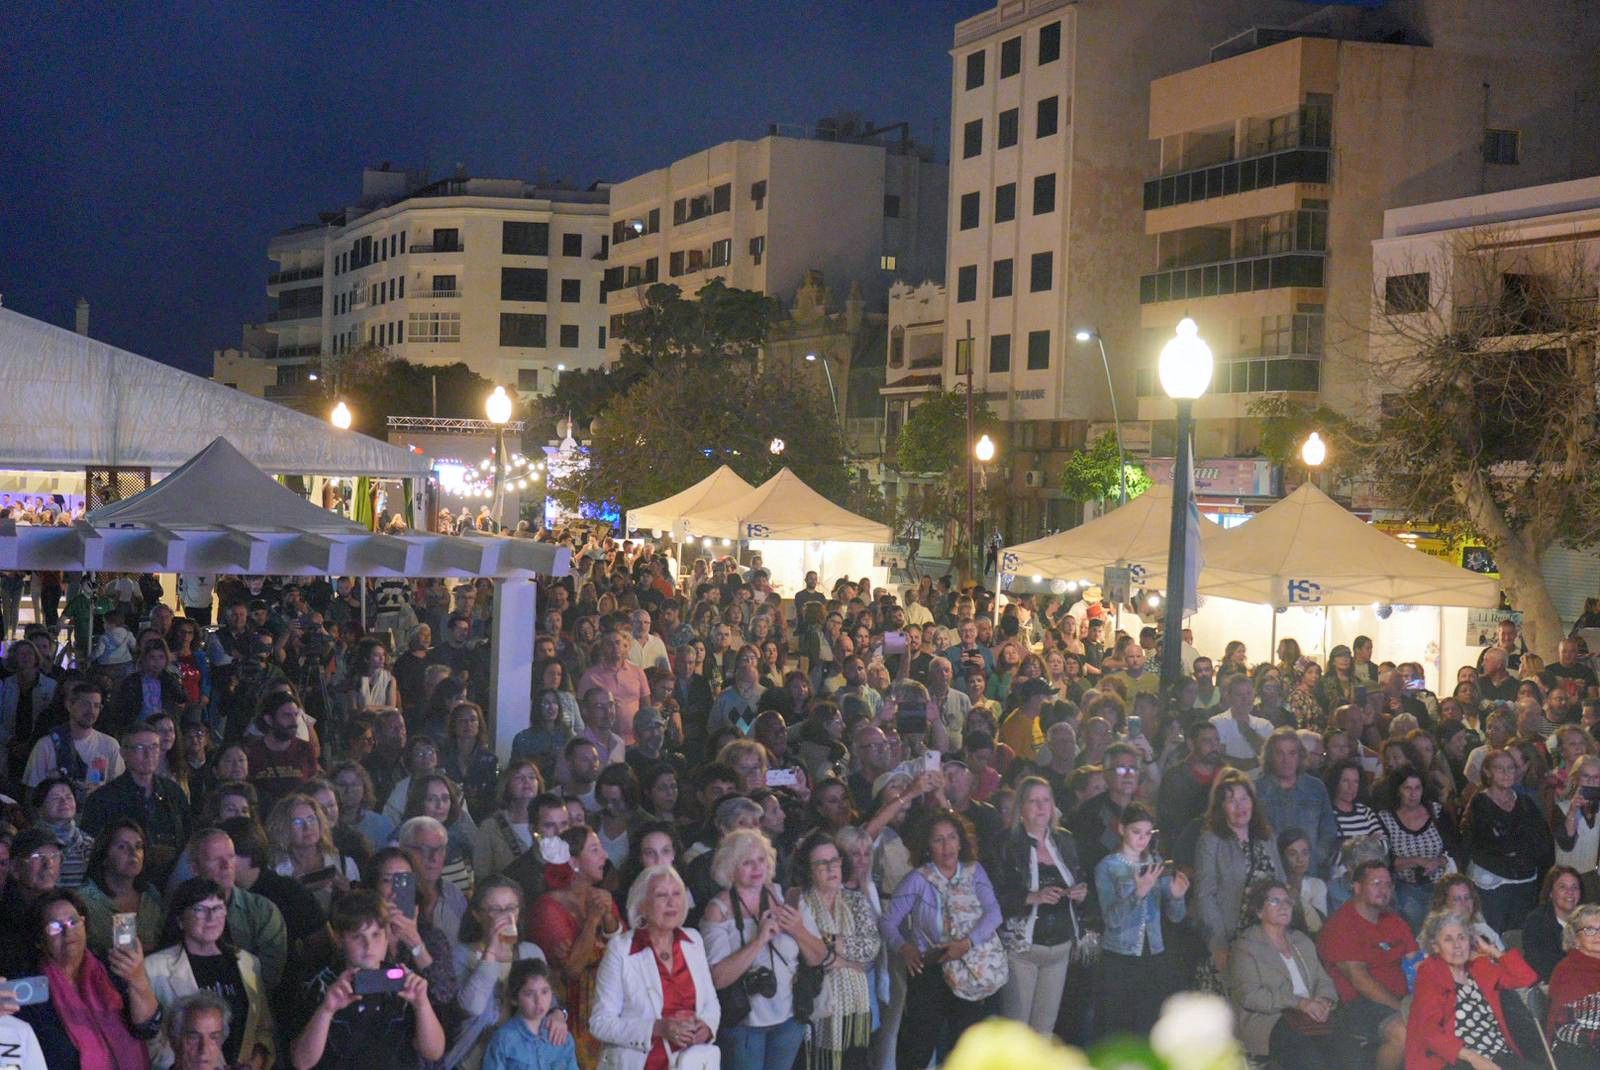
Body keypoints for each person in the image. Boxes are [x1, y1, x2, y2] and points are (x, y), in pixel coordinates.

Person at [880, 810, 1004, 1070]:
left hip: (970, 965)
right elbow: (888, 922)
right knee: (917, 1047)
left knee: (964, 1050)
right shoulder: (917, 879)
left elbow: (994, 914)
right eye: (938, 840)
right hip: (931, 968)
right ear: (928, 845)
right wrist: (904, 947)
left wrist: (967, 943)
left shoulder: (974, 871)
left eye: (951, 838)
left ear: (961, 842)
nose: (946, 846)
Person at [289, 889, 446, 1070]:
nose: (368, 945)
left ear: (387, 937)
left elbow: (434, 1052)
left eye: (376, 934)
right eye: (357, 936)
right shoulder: (321, 984)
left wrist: (422, 1005)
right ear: (340, 939)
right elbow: (301, 1062)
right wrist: (326, 1011)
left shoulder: (404, 981)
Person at [15, 888, 163, 1070]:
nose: (67, 932)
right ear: (39, 939)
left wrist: (137, 978)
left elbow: (148, 1028)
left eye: (73, 922)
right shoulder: (29, 989)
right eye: (54, 927)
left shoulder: (112, 969)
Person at [591, 865, 719, 1070]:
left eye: (676, 893)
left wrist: (708, 1026)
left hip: (690, 1063)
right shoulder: (621, 949)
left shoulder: (693, 940)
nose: (671, 902)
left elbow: (711, 1003)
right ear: (641, 905)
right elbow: (600, 1023)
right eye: (661, 895)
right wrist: (656, 1028)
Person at [144, 877, 274, 1070]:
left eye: (218, 908)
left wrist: (255, 1063)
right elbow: (151, 1040)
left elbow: (263, 1028)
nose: (211, 917)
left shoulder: (247, 962)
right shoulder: (153, 968)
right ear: (180, 919)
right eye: (200, 909)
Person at [990, 776, 1087, 1034]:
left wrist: (1080, 892)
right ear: (1021, 806)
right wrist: (1033, 896)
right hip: (1023, 948)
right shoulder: (1005, 843)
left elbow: (1079, 877)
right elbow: (992, 895)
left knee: (1044, 1031)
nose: (1041, 807)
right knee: (1017, 1030)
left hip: (1060, 945)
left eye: (1046, 800)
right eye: (1033, 801)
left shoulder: (1064, 840)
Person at [1227, 878, 1348, 1069]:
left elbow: (1323, 980)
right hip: (1269, 1020)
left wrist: (1324, 1001)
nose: (1283, 906)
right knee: (1308, 1058)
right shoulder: (1246, 946)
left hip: (1309, 1015)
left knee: (1348, 1050)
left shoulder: (1301, 940)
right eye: (1274, 901)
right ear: (1259, 911)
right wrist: (1299, 1003)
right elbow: (1250, 996)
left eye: (1287, 901)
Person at [1093, 801, 1189, 1038]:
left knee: (1149, 1025)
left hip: (1153, 953)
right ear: (1122, 828)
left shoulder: (1155, 862)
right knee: (1119, 1028)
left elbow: (1176, 917)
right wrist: (1138, 893)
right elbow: (1111, 920)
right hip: (1120, 957)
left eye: (1148, 833)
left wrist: (1177, 897)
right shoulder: (1108, 866)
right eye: (1137, 832)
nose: (1142, 839)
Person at [528, 826, 622, 1068]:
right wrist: (592, 921)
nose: (605, 856)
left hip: (610, 1010)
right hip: (570, 1019)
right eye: (595, 850)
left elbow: (628, 953)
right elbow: (572, 970)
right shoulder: (548, 909)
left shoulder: (602, 898)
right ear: (574, 862)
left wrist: (610, 922)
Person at [788, 829, 879, 1070]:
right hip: (815, 1004)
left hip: (854, 1006)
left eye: (835, 860)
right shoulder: (799, 902)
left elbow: (870, 947)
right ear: (807, 869)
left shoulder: (855, 900)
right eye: (822, 863)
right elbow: (807, 956)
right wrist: (847, 961)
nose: (831, 868)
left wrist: (825, 939)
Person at [1405, 908, 1539, 1070]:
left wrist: (1493, 951)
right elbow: (1430, 1032)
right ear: (1435, 946)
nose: (1457, 946)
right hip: (1456, 1060)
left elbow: (1527, 978)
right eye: (1448, 939)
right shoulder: (1430, 973)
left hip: (1498, 1054)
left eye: (1462, 937)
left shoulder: (1479, 967)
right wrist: (1473, 1058)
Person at [447, 876, 553, 1069]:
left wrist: (559, 1015)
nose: (505, 916)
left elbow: (548, 1004)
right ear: (478, 915)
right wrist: (492, 951)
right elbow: (472, 1008)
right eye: (496, 910)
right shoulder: (461, 955)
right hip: (473, 1061)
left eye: (511, 908)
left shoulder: (531, 952)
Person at [1317, 861, 1413, 1070]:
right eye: (1376, 883)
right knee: (1402, 1032)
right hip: (1358, 1005)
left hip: (1403, 997)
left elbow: (1417, 963)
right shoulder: (1341, 925)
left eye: (1388, 885)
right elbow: (1360, 981)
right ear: (1357, 887)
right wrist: (1402, 1009)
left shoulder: (1394, 920)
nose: (1384, 890)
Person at [1195, 769, 1284, 978]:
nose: (1240, 806)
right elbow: (1205, 896)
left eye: (1244, 799)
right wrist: (1218, 944)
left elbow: (1281, 882)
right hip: (1232, 938)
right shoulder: (1211, 841)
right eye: (1231, 800)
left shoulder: (1266, 837)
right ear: (1221, 808)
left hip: (1269, 936)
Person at [81, 724, 191, 885]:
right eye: (140, 748)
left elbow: (187, 839)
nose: (148, 754)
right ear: (123, 753)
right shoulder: (102, 799)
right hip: (120, 884)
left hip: (170, 881)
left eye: (154, 747)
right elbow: (92, 852)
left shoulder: (174, 793)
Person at [1465, 747, 1554, 932]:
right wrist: (1518, 847)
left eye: (1511, 768)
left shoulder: (1525, 801)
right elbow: (1487, 844)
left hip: (1525, 879)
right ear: (1488, 772)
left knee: (1519, 935)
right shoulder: (1480, 803)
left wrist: (1520, 850)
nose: (1507, 773)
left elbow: (1542, 839)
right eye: (1500, 768)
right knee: (1493, 935)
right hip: (1494, 882)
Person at [187, 828, 288, 990]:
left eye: (231, 857)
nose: (226, 865)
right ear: (194, 867)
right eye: (215, 859)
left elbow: (269, 977)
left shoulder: (263, 911)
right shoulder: (182, 911)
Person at [1377, 765, 1459, 931]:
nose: (1413, 794)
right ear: (1398, 790)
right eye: (1407, 788)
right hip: (1405, 891)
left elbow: (1456, 847)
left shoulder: (1437, 811)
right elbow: (1385, 860)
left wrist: (1438, 861)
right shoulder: (1384, 818)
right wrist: (1415, 861)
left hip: (1440, 889)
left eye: (1417, 788)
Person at [1255, 728, 1338, 876]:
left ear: (1300, 756)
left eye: (1292, 753)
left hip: (1310, 873)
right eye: (1279, 753)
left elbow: (1328, 830)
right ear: (1269, 756)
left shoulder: (1316, 787)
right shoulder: (1257, 789)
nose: (1286, 760)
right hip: (1271, 875)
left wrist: (1314, 858)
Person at [80, 819, 165, 955]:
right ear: (104, 856)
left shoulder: (150, 895)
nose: (133, 853)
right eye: (122, 847)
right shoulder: (84, 900)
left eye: (138, 846)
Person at [22, 678, 123, 792]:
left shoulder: (110, 745)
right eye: (85, 704)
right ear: (69, 705)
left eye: (96, 706)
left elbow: (117, 791)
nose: (91, 711)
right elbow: (32, 793)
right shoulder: (46, 745)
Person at [483, 958, 578, 1070]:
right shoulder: (503, 1040)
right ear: (515, 998)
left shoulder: (562, 1037)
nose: (539, 1000)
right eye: (529, 994)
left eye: (544, 992)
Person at [396, 816, 469, 945]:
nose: (433, 857)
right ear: (403, 850)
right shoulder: (396, 893)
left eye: (440, 849)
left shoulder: (455, 894)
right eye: (424, 849)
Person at [1547, 902, 1600, 1067]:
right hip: (1579, 1051)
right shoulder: (1568, 971)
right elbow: (1562, 1028)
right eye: (1590, 930)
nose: (1598, 935)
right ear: (1575, 938)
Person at [474, 760, 542, 881]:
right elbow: (481, 875)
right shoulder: (490, 827)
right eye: (519, 777)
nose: (527, 782)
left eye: (532, 777)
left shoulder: (548, 822)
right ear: (507, 785)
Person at [439, 700, 500, 819]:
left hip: (482, 818)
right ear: (454, 725)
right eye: (462, 720)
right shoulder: (442, 757)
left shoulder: (490, 760)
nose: (468, 724)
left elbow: (494, 796)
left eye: (473, 720)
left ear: (479, 724)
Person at [30, 775, 94, 889]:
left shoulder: (89, 843)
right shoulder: (28, 843)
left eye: (69, 797)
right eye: (55, 798)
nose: (64, 801)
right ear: (39, 807)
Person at [1524, 865, 1585, 980]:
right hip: (1556, 986)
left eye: (1575, 887)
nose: (1570, 892)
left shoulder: (1589, 920)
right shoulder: (1537, 922)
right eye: (1563, 887)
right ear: (1551, 893)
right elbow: (1546, 968)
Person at [1279, 828, 1329, 934]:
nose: (1300, 859)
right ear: (1281, 857)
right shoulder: (1276, 888)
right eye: (1292, 854)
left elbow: (1318, 926)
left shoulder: (1317, 885)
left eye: (1305, 853)